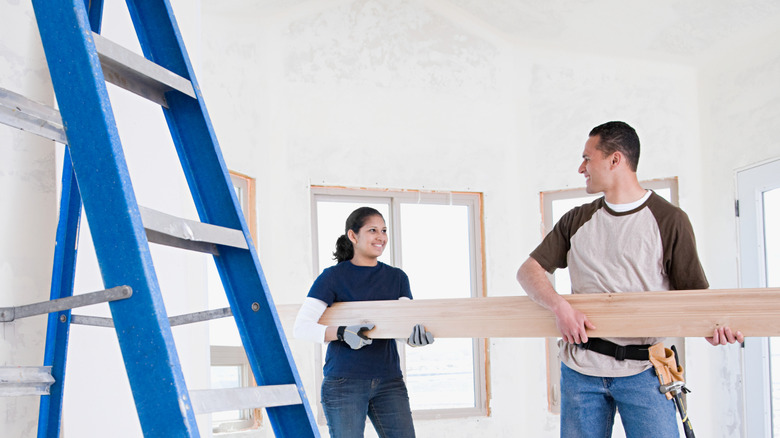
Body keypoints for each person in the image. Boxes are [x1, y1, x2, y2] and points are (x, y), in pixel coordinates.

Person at [516, 121, 743, 437]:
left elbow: (696, 302)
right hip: (580, 371)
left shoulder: (669, 220)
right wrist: (559, 307)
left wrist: (714, 328)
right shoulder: (576, 220)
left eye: (587, 158)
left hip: (644, 372)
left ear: (614, 160)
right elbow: (528, 272)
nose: (581, 168)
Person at [294, 206, 434, 438]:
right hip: (344, 382)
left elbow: (400, 327)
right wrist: (341, 333)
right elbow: (302, 327)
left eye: (384, 230)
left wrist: (413, 339)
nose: (381, 237)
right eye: (372, 230)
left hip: (389, 380)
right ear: (353, 235)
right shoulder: (332, 277)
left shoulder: (398, 278)